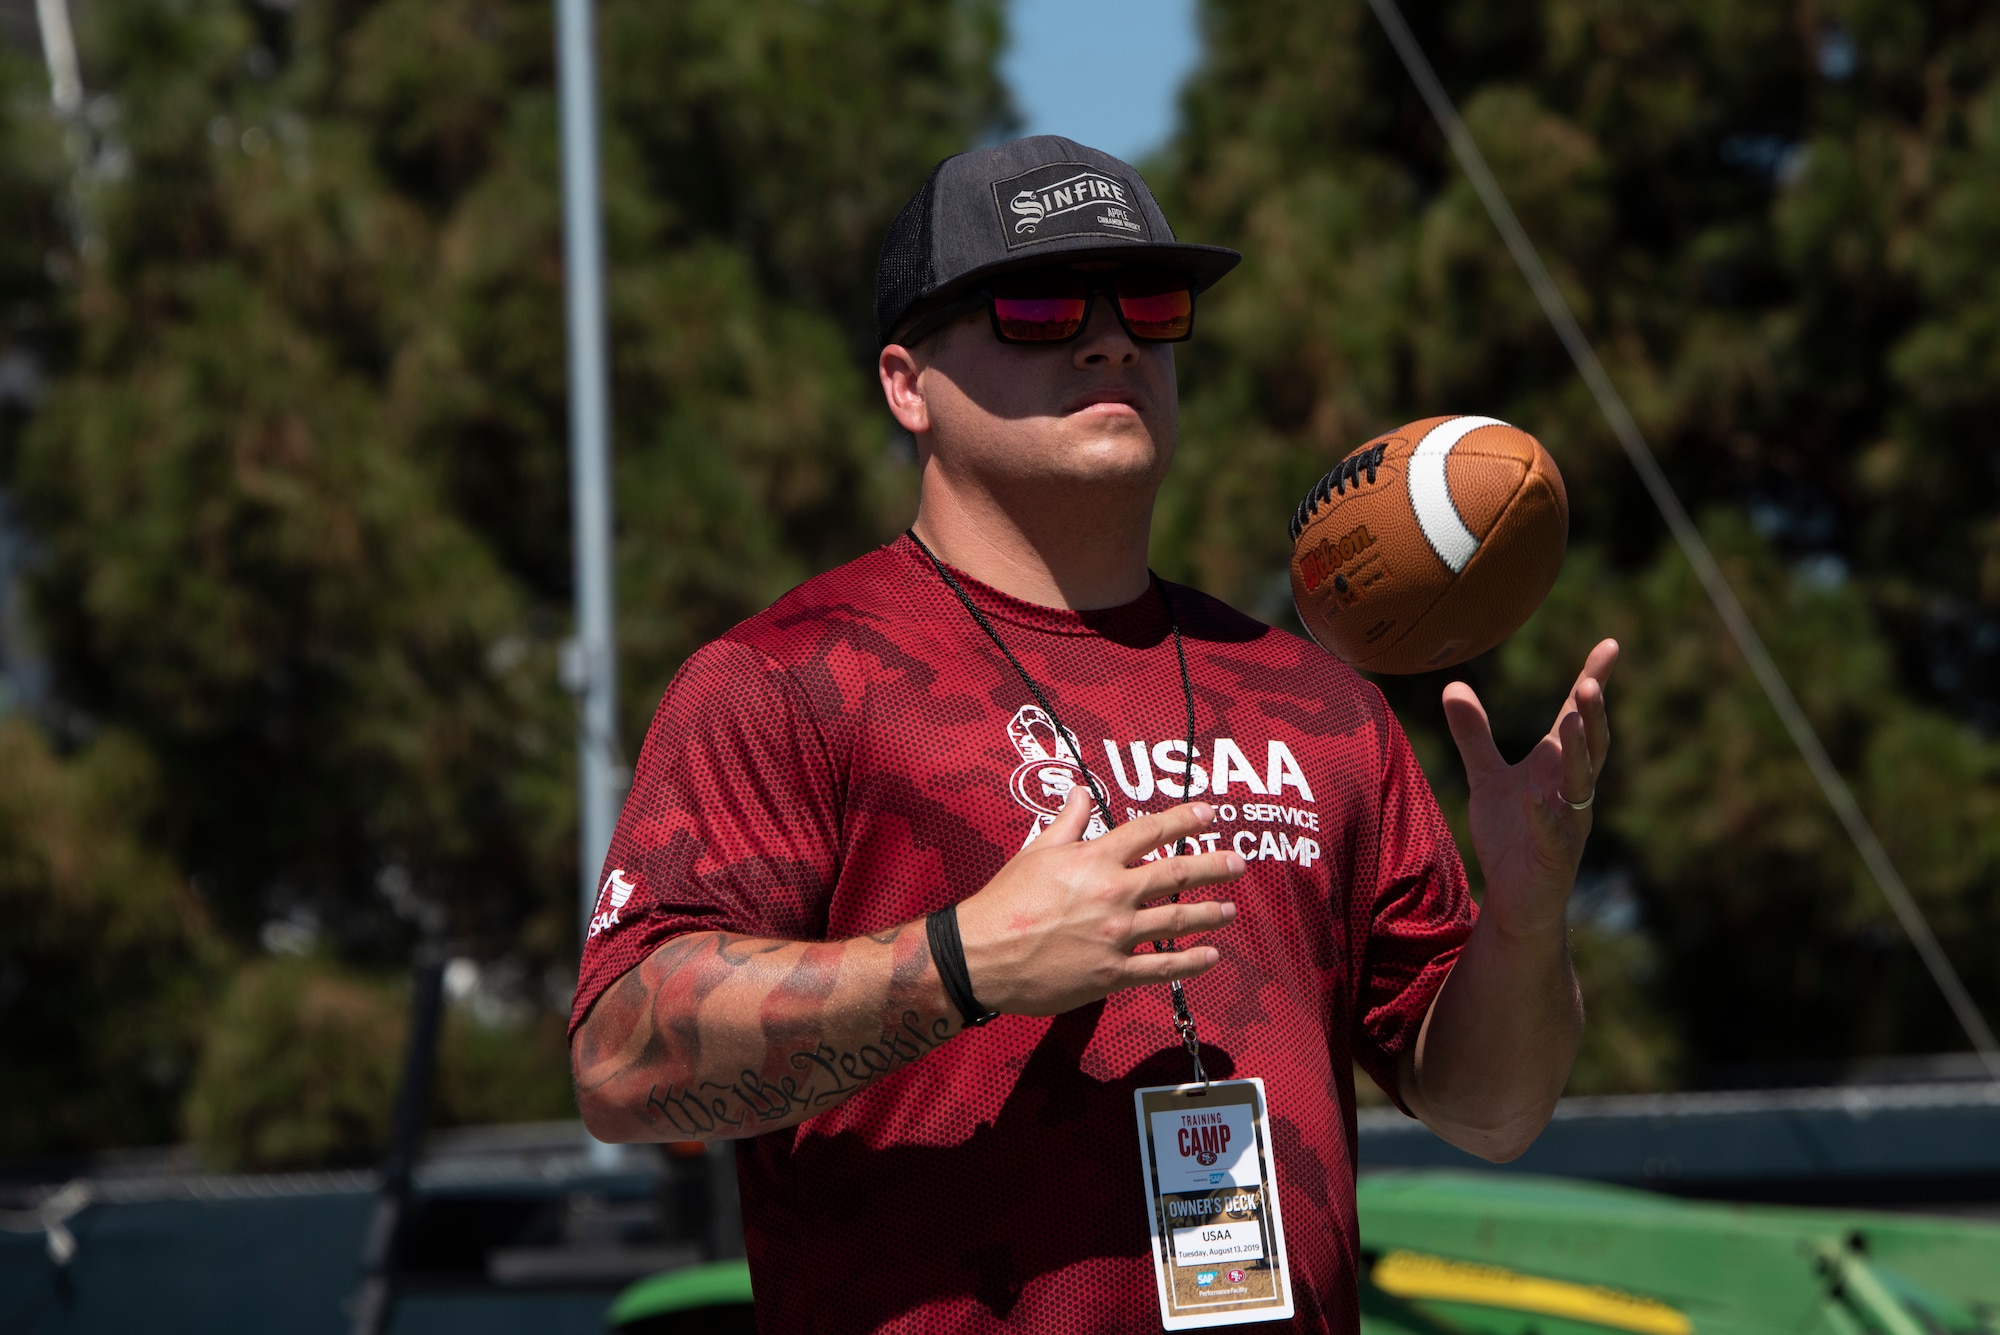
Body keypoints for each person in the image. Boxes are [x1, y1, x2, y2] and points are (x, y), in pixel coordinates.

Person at [570, 135, 1616, 1333]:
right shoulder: (790, 677)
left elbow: (1490, 1110)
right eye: (1037, 304)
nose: (1110, 337)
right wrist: (964, 964)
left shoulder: (1314, 703)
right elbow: (619, 1062)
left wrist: (1528, 914)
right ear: (906, 384)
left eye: (1149, 305)